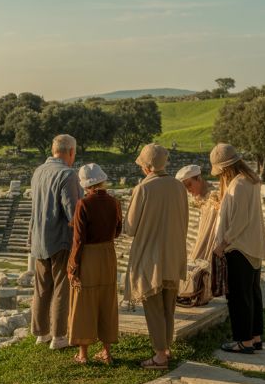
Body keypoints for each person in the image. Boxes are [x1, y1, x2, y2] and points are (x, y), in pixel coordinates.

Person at [124, 144, 188, 369]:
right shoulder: (179, 187)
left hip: (150, 255)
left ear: (147, 166)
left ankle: (160, 355)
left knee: (153, 306)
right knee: (168, 305)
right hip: (174, 252)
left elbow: (130, 228)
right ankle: (166, 347)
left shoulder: (143, 188)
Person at [210, 143, 265, 354]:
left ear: (225, 168)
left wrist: (222, 244)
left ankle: (243, 341)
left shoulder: (239, 185)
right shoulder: (250, 181)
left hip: (240, 247)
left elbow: (239, 221)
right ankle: (255, 336)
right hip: (253, 244)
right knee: (252, 293)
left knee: (238, 296)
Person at [29, 134, 83, 350]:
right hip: (60, 238)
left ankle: (41, 333)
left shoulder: (38, 171)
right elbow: (72, 212)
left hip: (39, 238)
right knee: (62, 286)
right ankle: (59, 336)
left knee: (42, 287)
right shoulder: (68, 174)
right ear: (71, 152)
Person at [67, 163, 122, 365]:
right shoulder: (114, 202)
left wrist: (72, 265)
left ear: (85, 184)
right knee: (107, 300)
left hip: (88, 255)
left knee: (84, 302)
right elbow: (117, 230)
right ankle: (106, 351)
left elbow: (78, 240)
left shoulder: (84, 204)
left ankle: (83, 354)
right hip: (108, 254)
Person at [175, 164, 219, 308]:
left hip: (214, 238)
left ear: (199, 178)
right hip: (203, 236)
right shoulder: (203, 197)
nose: (188, 190)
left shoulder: (215, 196)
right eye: (185, 187)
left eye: (189, 185)